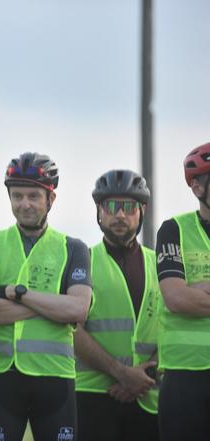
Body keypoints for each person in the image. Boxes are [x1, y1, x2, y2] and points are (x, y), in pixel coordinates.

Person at [0, 152, 92, 441]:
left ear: (50, 200)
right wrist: (54, 303)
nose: (24, 204)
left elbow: (78, 310)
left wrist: (17, 294)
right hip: (1, 377)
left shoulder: (73, 248)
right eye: (17, 196)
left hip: (55, 378)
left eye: (33, 196)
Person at [74, 169, 160, 441]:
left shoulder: (159, 264)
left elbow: (174, 324)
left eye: (128, 207)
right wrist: (122, 374)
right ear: (99, 210)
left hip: (149, 395)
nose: (120, 215)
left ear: (142, 210)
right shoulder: (82, 260)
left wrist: (144, 374)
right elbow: (71, 329)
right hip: (93, 396)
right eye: (111, 206)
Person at [156, 142, 210, 441]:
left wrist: (200, 291)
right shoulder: (173, 229)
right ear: (197, 188)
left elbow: (186, 295)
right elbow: (175, 297)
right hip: (184, 375)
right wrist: (187, 294)